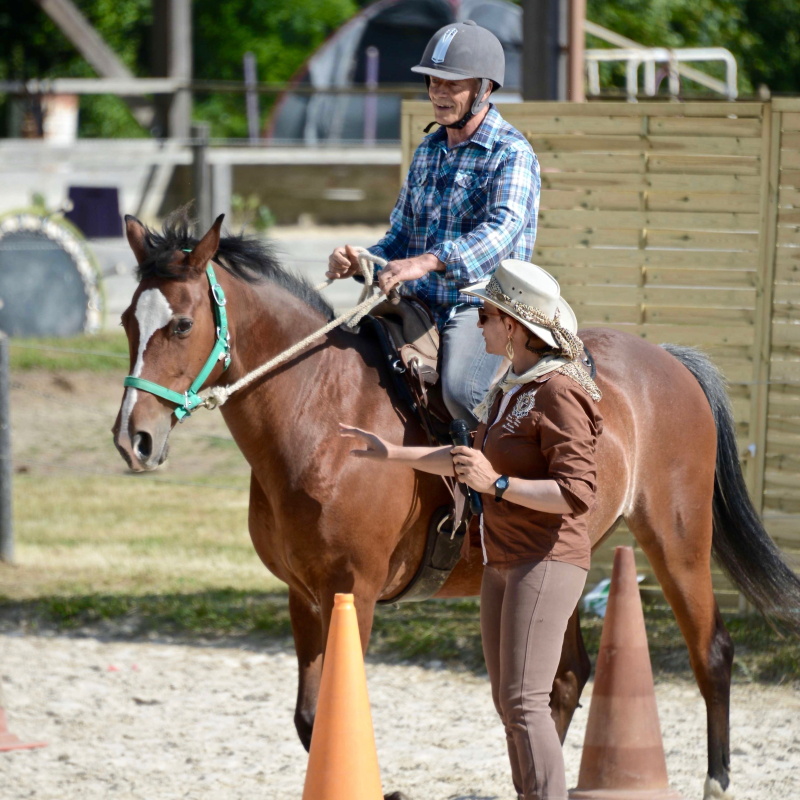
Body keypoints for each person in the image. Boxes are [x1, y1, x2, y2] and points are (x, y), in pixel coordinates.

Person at [340, 260, 603, 800]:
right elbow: (469, 461)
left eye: (483, 314)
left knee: (526, 703)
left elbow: (577, 494)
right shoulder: (511, 383)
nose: (476, 324)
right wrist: (391, 453)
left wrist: (499, 485)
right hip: (503, 560)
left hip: (547, 560)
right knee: (511, 703)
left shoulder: (557, 392)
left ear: (512, 324)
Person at [327, 21, 540, 429]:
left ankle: (491, 488)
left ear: (484, 89)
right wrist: (363, 261)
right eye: (433, 81)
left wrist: (427, 261)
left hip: (483, 306)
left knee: (462, 391)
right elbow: (401, 237)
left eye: (452, 84)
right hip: (419, 303)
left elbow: (501, 232)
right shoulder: (428, 150)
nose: (439, 93)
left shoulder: (511, 153)